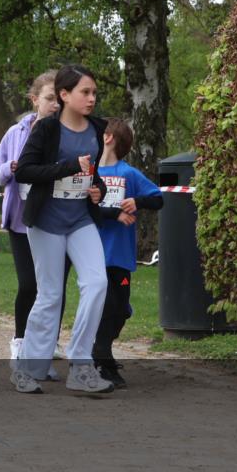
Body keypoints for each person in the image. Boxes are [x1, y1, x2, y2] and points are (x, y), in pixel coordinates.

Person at [11, 63, 114, 395]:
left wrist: (98, 188)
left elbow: (91, 175)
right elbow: (25, 171)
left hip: (81, 219)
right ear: (64, 95)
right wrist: (68, 166)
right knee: (50, 295)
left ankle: (81, 364)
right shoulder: (46, 130)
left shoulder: (97, 128)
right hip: (47, 222)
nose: (92, 98)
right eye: (85, 92)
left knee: (97, 282)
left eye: (94, 92)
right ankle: (28, 368)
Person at [0, 71, 66, 368]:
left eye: (59, 100)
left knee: (54, 288)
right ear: (35, 99)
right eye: (50, 99)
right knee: (29, 285)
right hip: (21, 220)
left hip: (57, 220)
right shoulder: (15, 133)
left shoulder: (69, 132)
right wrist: (10, 168)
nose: (55, 106)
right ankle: (21, 342)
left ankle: (46, 346)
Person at [94, 117, 163, 387]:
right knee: (106, 305)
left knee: (121, 308)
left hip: (120, 257)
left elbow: (158, 198)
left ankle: (102, 355)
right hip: (93, 254)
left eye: (101, 133)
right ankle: (100, 358)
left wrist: (136, 201)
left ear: (108, 138)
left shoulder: (128, 174)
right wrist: (112, 214)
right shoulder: (88, 173)